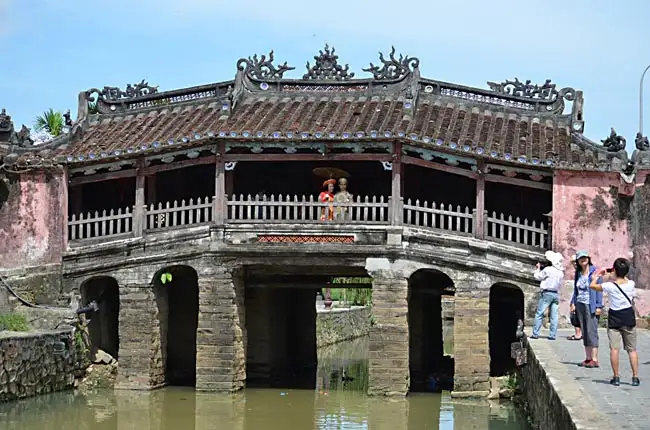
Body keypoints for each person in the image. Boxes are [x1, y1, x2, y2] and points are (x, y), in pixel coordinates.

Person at [589, 258, 640, 386]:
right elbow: (625, 279)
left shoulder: (609, 286)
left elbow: (592, 286)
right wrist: (616, 273)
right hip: (628, 317)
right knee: (632, 350)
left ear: (615, 270)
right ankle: (635, 377)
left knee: (614, 349)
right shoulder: (631, 284)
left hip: (615, 318)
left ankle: (616, 377)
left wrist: (598, 275)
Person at [570, 250, 603, 368]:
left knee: (591, 331)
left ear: (588, 258)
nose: (583, 260)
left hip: (591, 304)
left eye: (585, 258)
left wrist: (599, 305)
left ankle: (594, 358)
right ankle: (588, 358)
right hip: (580, 303)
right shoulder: (578, 273)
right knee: (584, 330)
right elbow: (576, 289)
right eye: (580, 259)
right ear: (578, 261)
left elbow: (599, 290)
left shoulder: (595, 272)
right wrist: (572, 302)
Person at [531, 250, 564, 340]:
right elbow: (560, 284)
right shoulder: (561, 272)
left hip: (547, 293)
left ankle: (535, 333)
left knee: (539, 313)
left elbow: (538, 277)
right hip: (555, 293)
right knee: (554, 315)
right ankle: (552, 335)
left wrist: (537, 269)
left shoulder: (548, 270)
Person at [566, 254, 583, 341]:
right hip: (578, 296)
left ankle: (578, 334)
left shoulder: (581, 272)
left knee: (575, 315)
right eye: (573, 263)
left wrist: (573, 301)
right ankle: (579, 333)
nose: (574, 264)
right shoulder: (578, 272)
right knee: (575, 315)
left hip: (581, 297)